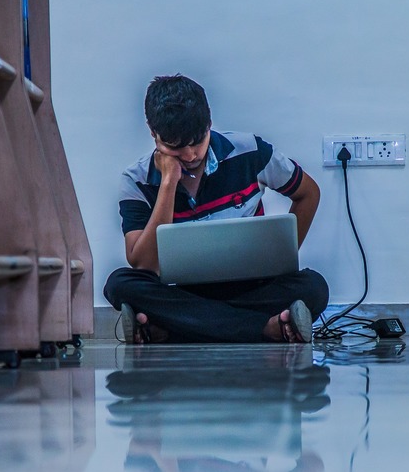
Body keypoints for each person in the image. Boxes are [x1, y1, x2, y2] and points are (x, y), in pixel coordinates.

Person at [103, 74, 329, 344]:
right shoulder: (136, 180)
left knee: (315, 287)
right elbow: (143, 263)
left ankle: (171, 329)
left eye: (197, 142)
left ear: (209, 123)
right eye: (175, 147)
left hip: (251, 288)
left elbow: (308, 193)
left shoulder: (250, 151)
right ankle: (266, 328)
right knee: (119, 284)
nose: (189, 156)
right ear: (154, 134)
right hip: (182, 292)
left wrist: (282, 255)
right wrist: (167, 183)